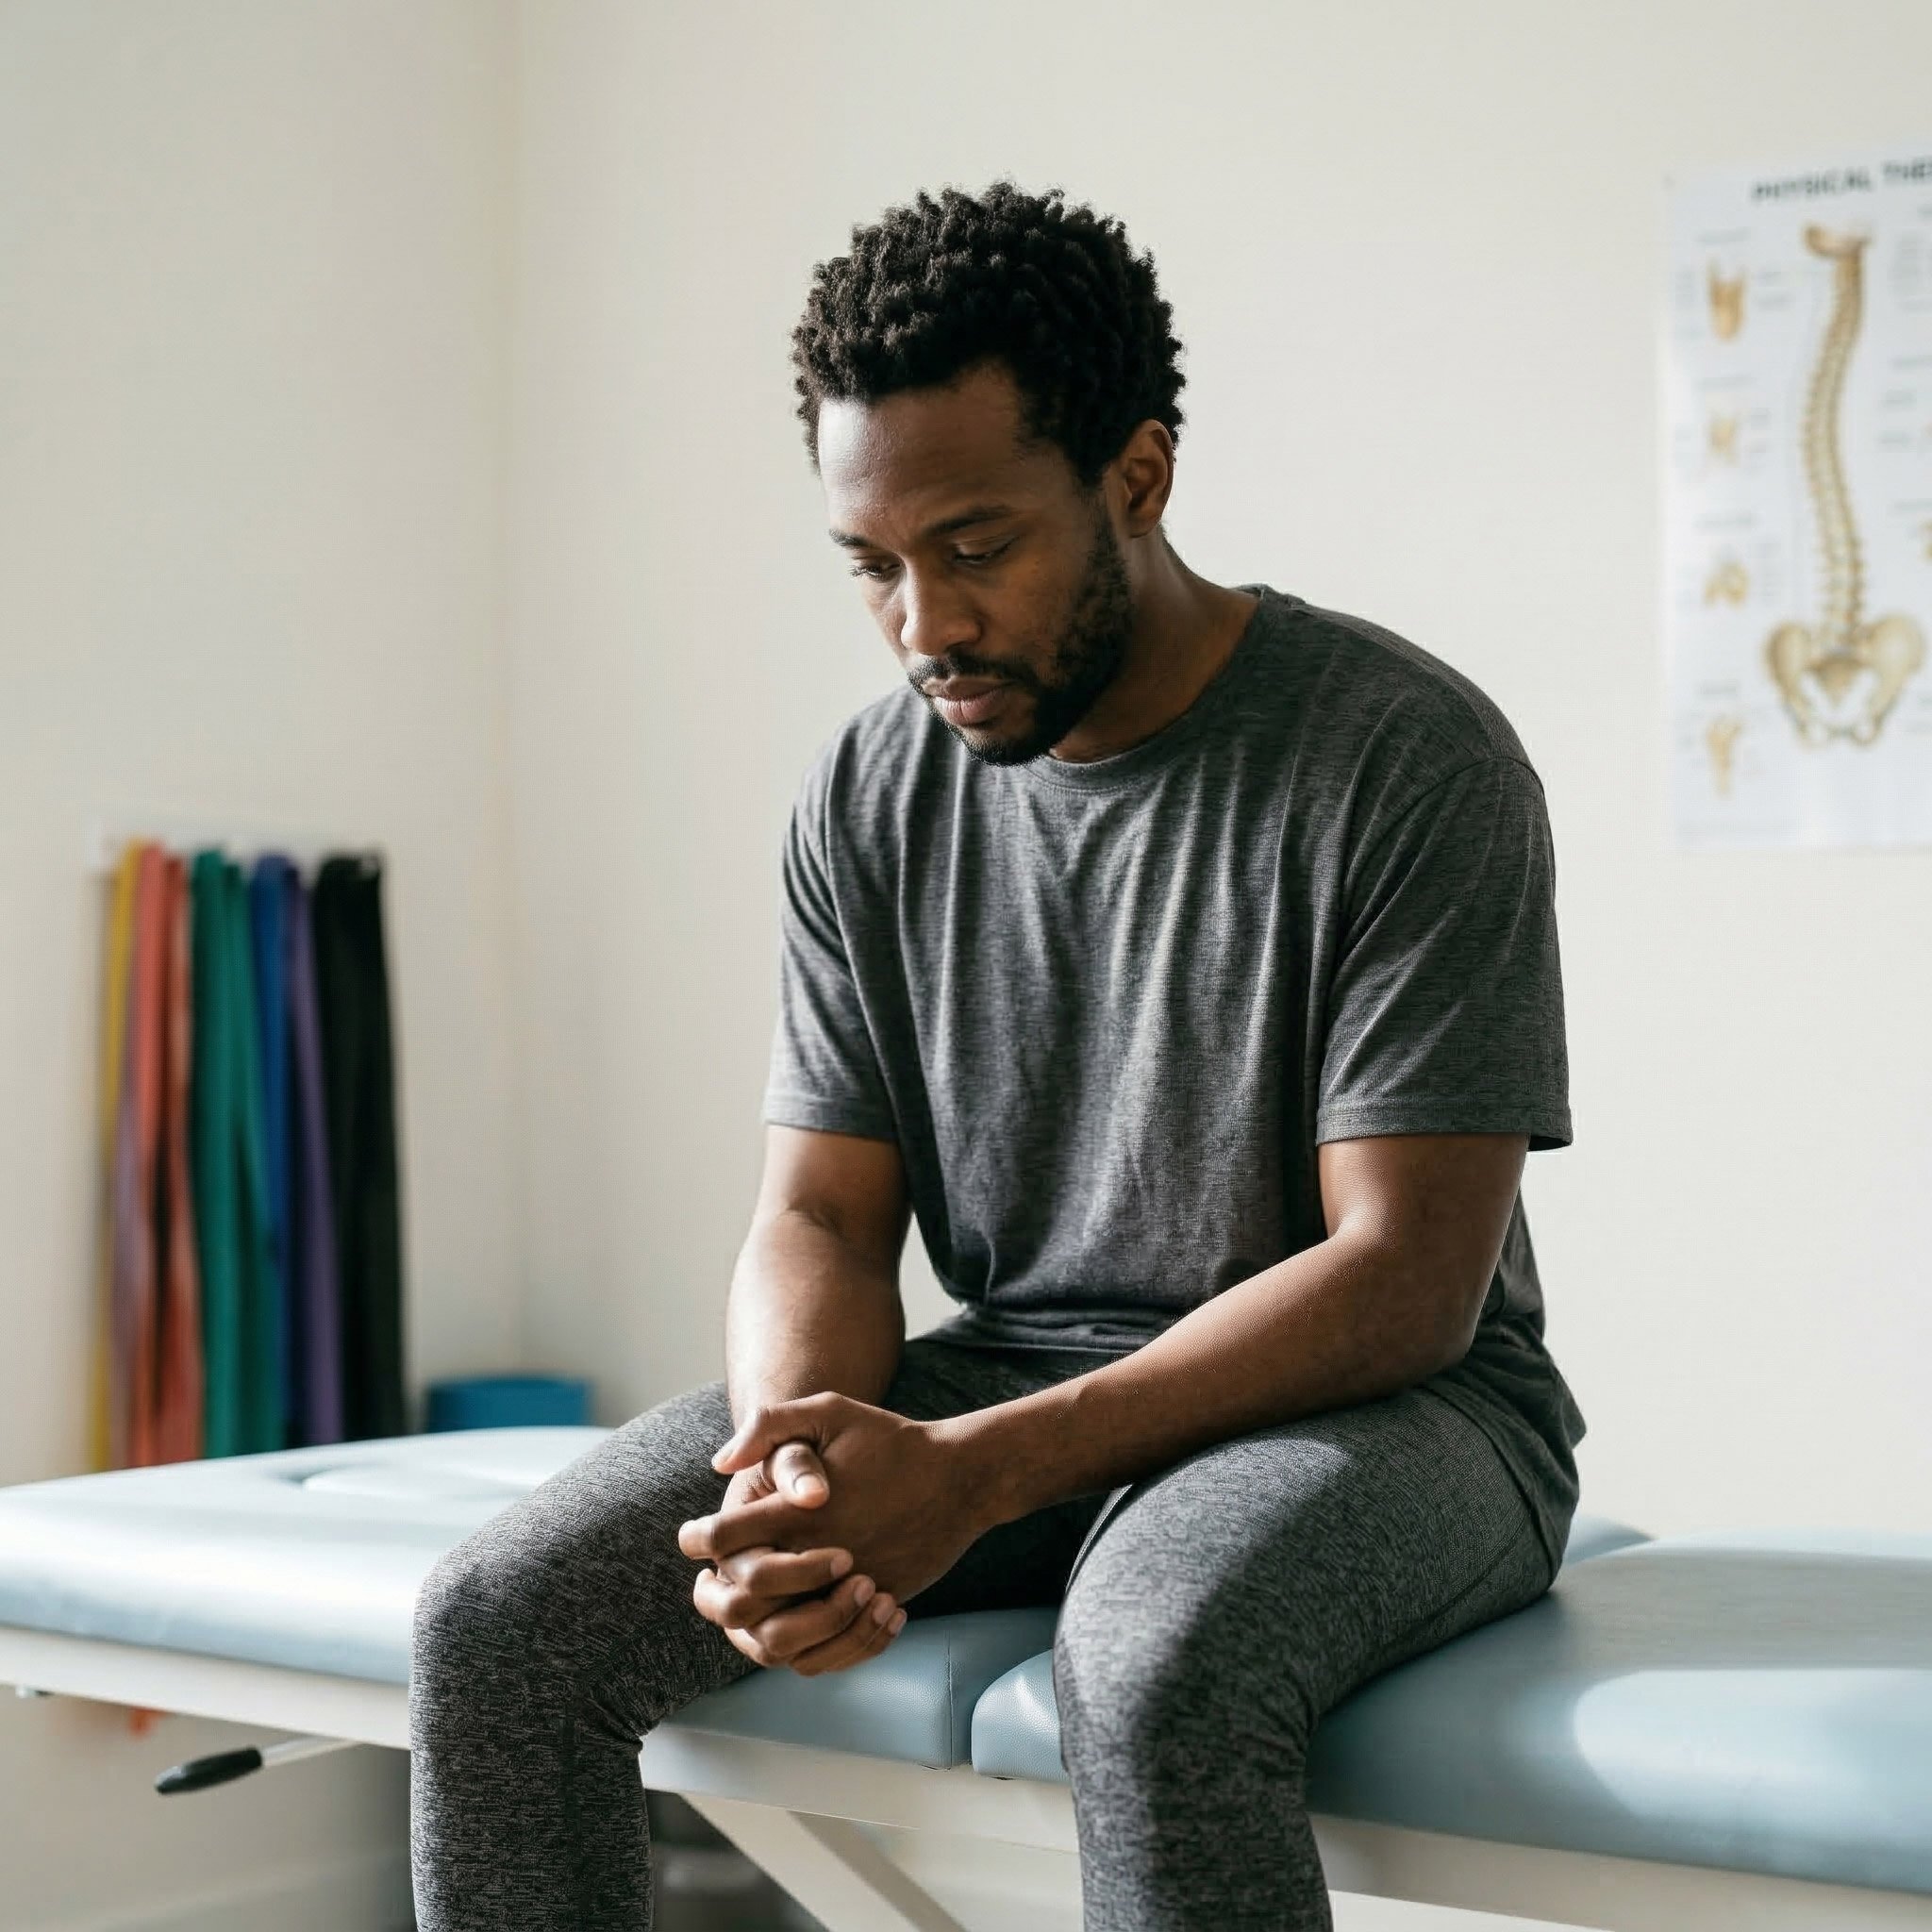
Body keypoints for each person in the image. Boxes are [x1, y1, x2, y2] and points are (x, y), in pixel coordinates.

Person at [409, 179, 1588, 1932]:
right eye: (872, 566)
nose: (925, 626)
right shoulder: (869, 790)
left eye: (975, 547)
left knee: (1157, 1659)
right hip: (1016, 1374)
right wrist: (797, 1467)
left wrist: (974, 1474)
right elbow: (818, 1216)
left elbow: (1408, 1280)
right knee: (498, 1627)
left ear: (1138, 477)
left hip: (1398, 1418)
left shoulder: (1403, 756)